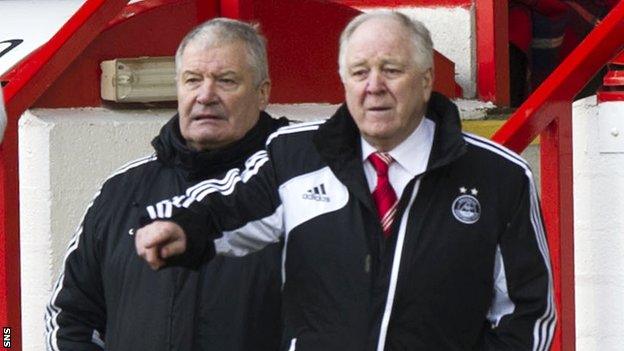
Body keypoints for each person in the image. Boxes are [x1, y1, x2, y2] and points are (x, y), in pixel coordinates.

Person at [136, 11, 556, 350]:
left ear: (426, 80)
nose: (374, 87)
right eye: (359, 73)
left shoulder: (499, 176)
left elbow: (528, 313)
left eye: (391, 70)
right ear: (344, 82)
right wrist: (179, 227)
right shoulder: (295, 154)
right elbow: (229, 205)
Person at [45, 18, 288, 351]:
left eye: (226, 81)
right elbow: (69, 317)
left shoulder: (302, 187)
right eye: (192, 80)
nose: (206, 95)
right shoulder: (121, 191)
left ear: (263, 93)